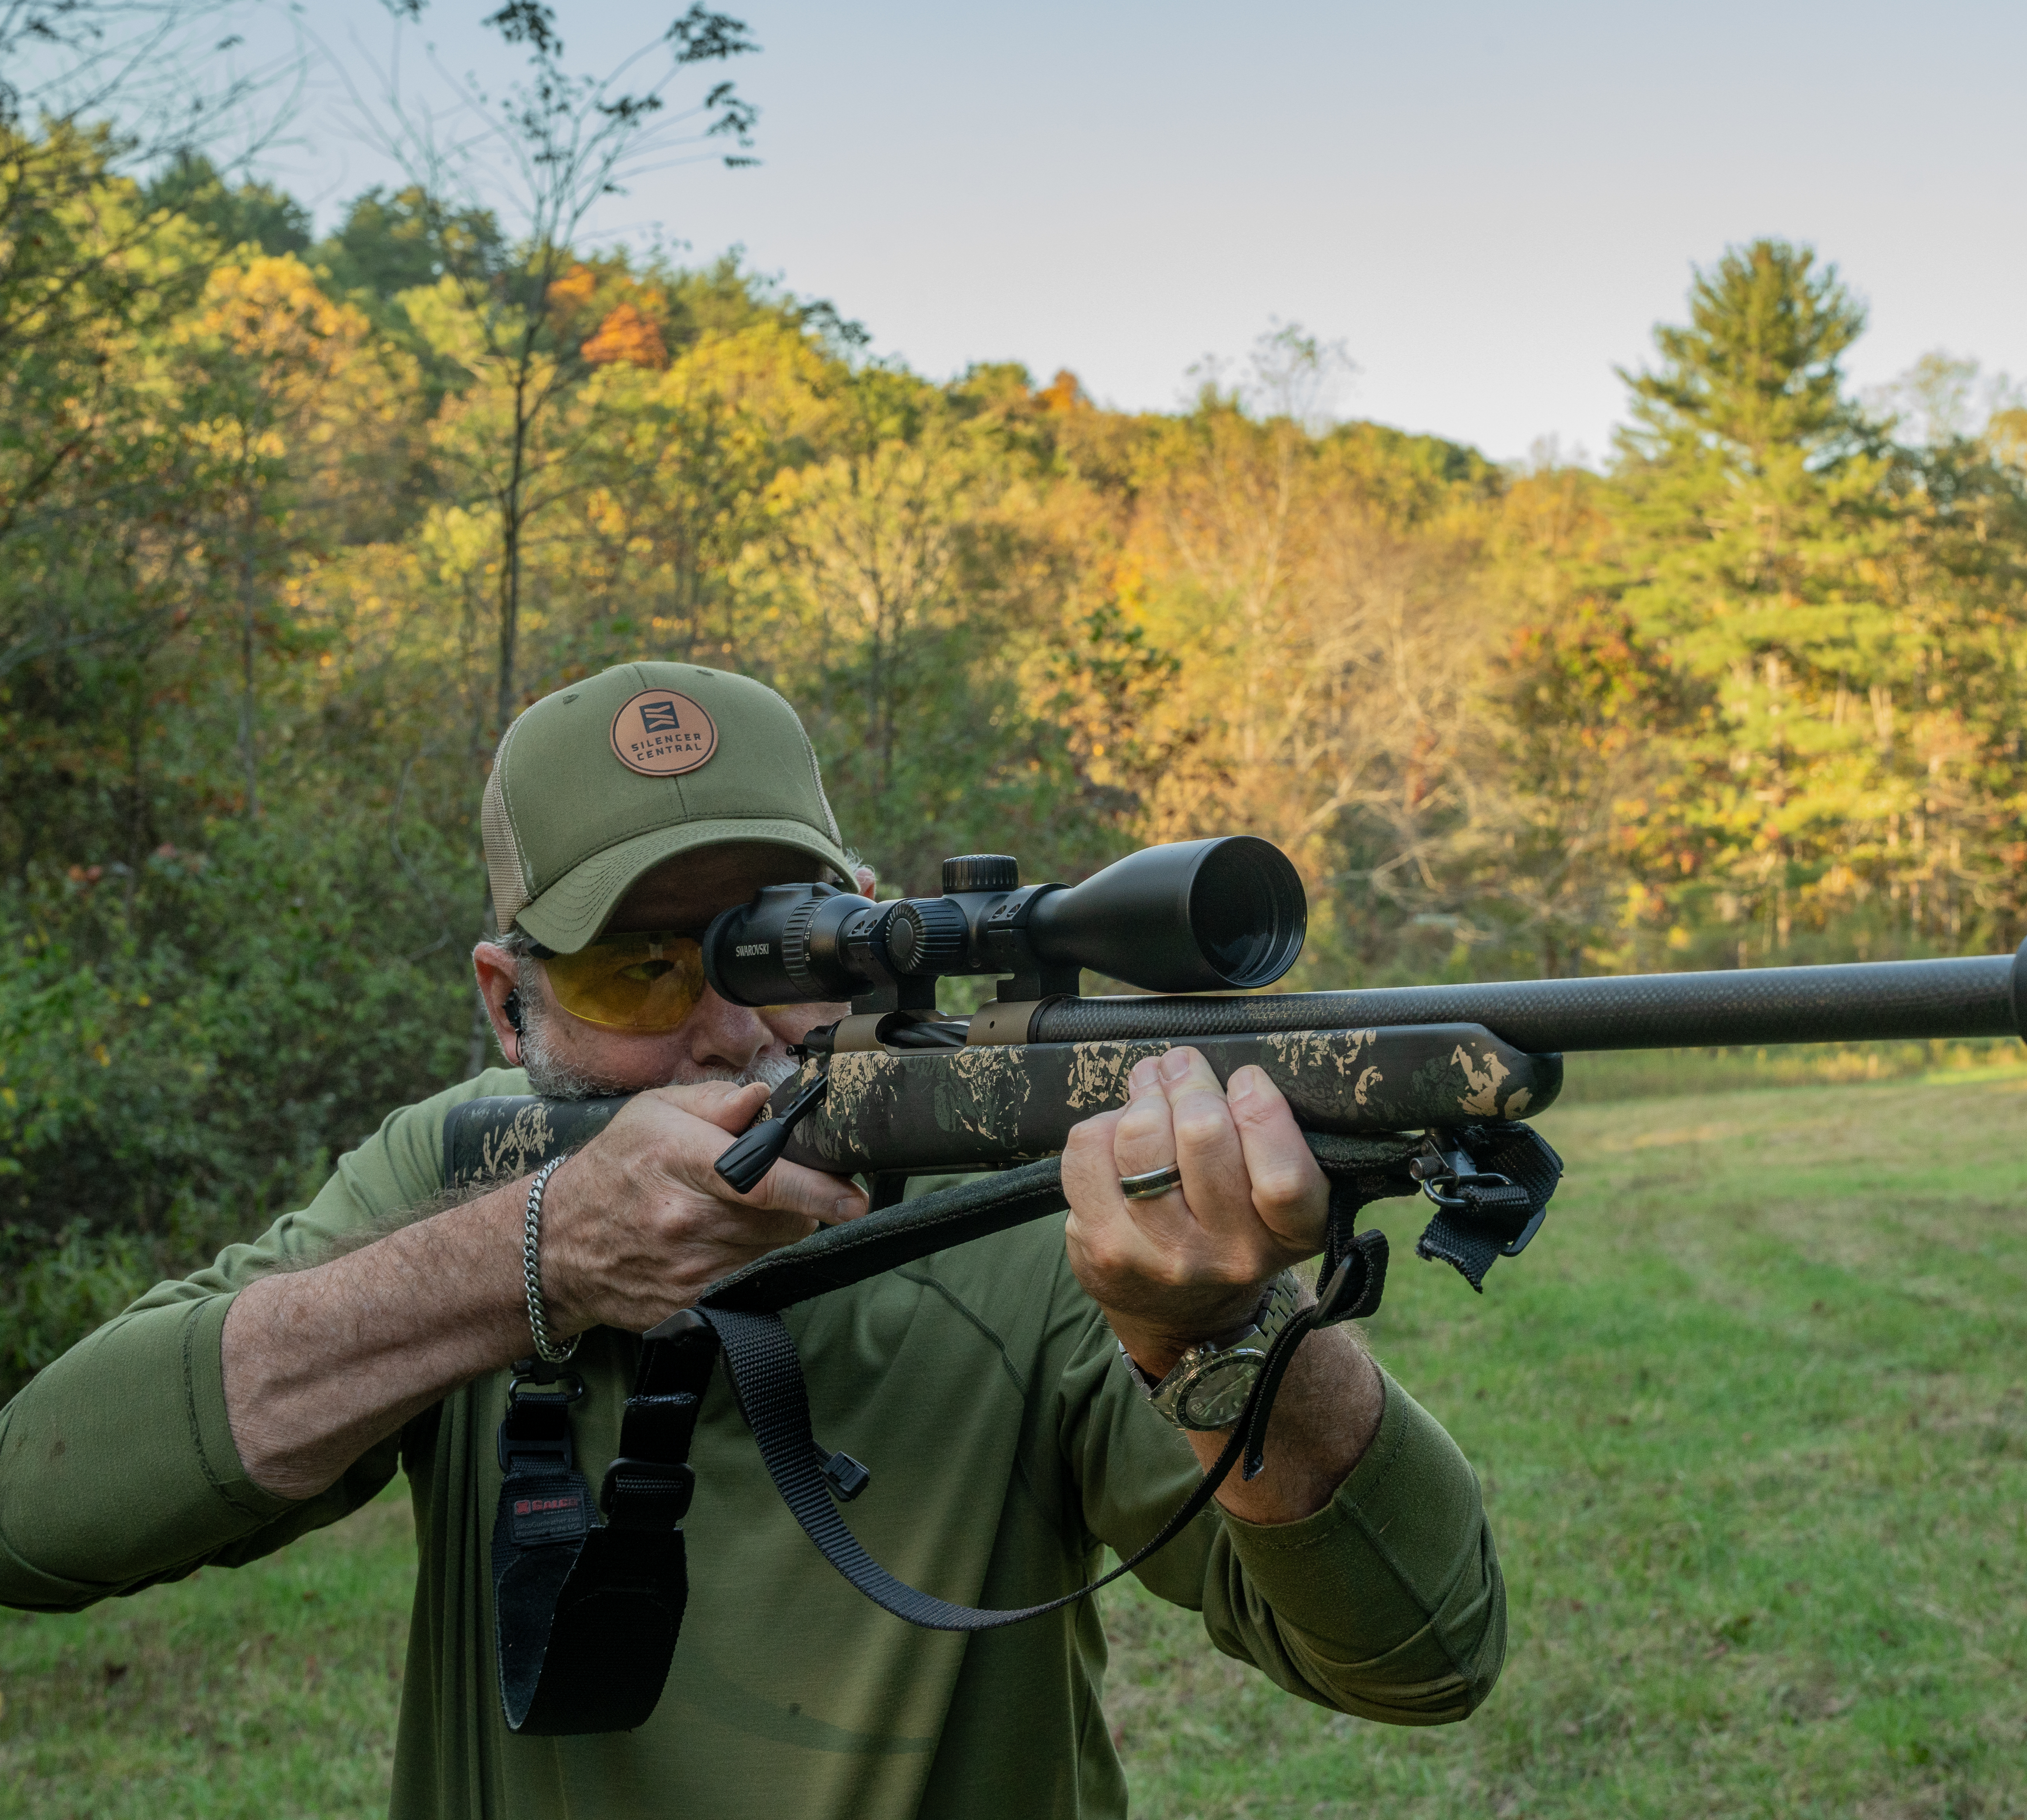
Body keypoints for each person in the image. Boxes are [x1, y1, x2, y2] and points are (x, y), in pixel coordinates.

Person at [0, 663, 1505, 1818]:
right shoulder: (455, 1172)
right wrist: (527, 1263)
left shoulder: (1020, 1192)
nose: (726, 1030)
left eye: (775, 946)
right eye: (637, 972)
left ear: (865, 920)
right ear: (505, 1000)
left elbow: (1424, 1661)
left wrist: (1231, 1341)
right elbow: (36, 1515)